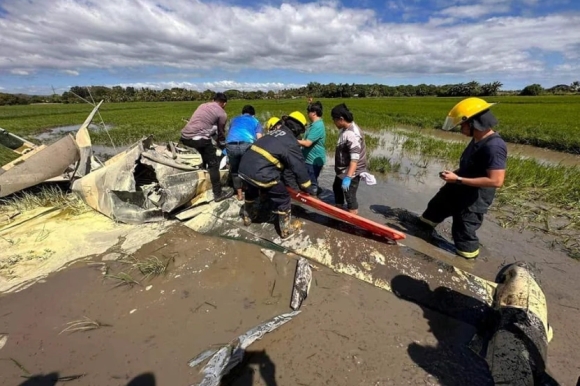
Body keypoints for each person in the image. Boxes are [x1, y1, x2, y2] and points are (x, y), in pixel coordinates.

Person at [418, 97, 507, 259]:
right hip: (456, 189)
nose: (461, 129)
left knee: (463, 232)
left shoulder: (494, 147)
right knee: (434, 209)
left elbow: (496, 181)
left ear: (474, 123)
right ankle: (420, 233)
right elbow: (470, 165)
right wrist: (455, 173)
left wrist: (457, 179)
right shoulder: (477, 139)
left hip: (472, 200)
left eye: (462, 125)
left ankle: (467, 262)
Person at [238, 111, 316, 239]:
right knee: (283, 197)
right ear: (298, 129)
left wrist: (294, 186)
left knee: (251, 189)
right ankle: (285, 230)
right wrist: (307, 188)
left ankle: (248, 216)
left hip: (244, 168)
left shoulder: (273, 133)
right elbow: (299, 168)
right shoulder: (291, 142)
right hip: (260, 173)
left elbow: (285, 169)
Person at [180, 92, 233, 202]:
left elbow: (207, 126)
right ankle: (218, 194)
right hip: (200, 139)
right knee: (213, 165)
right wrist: (222, 144)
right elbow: (221, 132)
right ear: (224, 104)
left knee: (204, 153)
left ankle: (203, 174)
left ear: (213, 100)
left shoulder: (202, 105)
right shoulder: (222, 113)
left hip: (185, 137)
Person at [330, 103, 367, 215]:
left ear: (341, 119)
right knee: (337, 187)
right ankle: (339, 209)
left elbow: (354, 159)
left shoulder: (352, 133)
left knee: (350, 197)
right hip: (343, 170)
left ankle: (353, 218)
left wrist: (348, 178)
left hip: (351, 171)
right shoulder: (345, 129)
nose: (333, 122)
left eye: (334, 120)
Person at [225, 105, 263, 201]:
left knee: (234, 171)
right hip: (247, 145)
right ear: (253, 114)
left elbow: (231, 132)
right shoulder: (255, 121)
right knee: (249, 169)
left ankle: (239, 194)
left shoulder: (234, 119)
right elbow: (259, 138)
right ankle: (251, 193)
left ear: (242, 113)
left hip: (231, 145)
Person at [298, 101, 326, 196]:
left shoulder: (317, 126)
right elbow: (305, 139)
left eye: (308, 111)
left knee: (312, 185)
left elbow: (307, 143)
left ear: (314, 113)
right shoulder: (312, 125)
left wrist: (293, 141)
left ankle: (315, 202)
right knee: (307, 182)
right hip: (308, 160)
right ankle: (317, 193)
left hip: (313, 161)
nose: (307, 114)